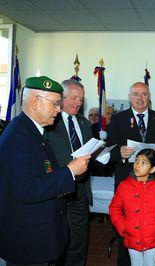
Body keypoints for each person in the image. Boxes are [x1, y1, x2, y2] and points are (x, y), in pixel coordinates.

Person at [0, 76, 90, 265]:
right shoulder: (18, 136)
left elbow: (44, 172)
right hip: (29, 242)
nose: (59, 109)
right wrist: (69, 171)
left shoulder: (33, 130)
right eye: (55, 104)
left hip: (39, 236)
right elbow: (27, 189)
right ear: (34, 102)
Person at [107, 82, 155, 265]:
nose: (140, 98)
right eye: (135, 94)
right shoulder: (118, 119)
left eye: (144, 94)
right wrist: (118, 153)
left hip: (154, 182)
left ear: (149, 96)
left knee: (152, 237)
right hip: (126, 181)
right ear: (129, 97)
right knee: (126, 238)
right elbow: (108, 151)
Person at [46, 79, 97, 266]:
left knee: (78, 239)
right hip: (58, 190)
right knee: (57, 239)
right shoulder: (50, 121)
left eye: (81, 99)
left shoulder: (83, 122)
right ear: (61, 98)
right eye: (74, 98)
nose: (78, 103)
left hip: (80, 190)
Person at [109, 149, 155, 266]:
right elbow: (114, 208)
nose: (137, 165)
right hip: (131, 235)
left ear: (153, 169)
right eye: (136, 161)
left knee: (150, 263)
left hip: (153, 236)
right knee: (136, 263)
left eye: (144, 162)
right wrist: (123, 227)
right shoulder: (124, 186)